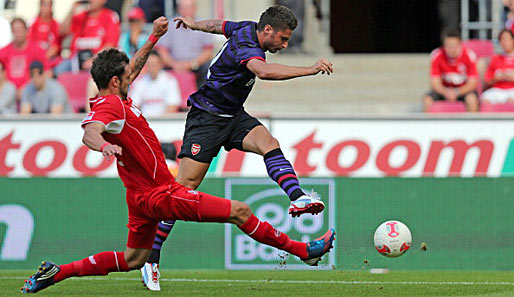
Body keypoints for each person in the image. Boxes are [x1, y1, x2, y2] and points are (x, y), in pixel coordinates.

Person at [20, 17, 335, 294]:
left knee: (132, 259)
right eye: (126, 74)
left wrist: (154, 37)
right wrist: (102, 145)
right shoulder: (111, 106)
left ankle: (59, 272)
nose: (133, 74)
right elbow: (90, 131)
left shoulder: (116, 96)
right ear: (116, 81)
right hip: (160, 194)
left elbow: (137, 64)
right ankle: (303, 250)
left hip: (139, 198)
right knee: (239, 211)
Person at [140, 5, 334, 290]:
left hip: (232, 115)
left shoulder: (245, 27)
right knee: (182, 190)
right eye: (282, 38)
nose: (285, 43)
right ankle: (150, 258)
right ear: (267, 30)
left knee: (269, 143)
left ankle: (298, 198)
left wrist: (194, 25)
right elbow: (263, 72)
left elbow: (219, 25)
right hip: (206, 118)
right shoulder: (248, 48)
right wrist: (310, 69)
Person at [157, 0, 214, 87]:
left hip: (196, 66)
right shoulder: (170, 25)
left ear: (194, 8)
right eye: (182, 8)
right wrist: (174, 64)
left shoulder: (204, 25)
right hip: (173, 65)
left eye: (188, 7)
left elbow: (208, 52)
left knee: (209, 67)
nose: (185, 10)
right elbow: (162, 50)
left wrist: (191, 64)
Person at [55, 0, 120, 75]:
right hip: (75, 59)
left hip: (97, 59)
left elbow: (110, 46)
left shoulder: (110, 16)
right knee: (59, 70)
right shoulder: (81, 16)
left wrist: (94, 60)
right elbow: (62, 31)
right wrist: (71, 11)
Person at [424, 29, 479, 112]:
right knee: (427, 100)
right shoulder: (437, 55)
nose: (451, 49)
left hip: (463, 90)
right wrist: (445, 92)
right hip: (444, 90)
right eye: (448, 46)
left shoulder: (469, 55)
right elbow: (435, 82)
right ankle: (428, 124)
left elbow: (472, 83)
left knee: (472, 99)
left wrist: (457, 92)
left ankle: (472, 124)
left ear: (460, 44)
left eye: (454, 46)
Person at [0, 18, 48, 92]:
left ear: (26, 30)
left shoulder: (36, 49)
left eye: (20, 29)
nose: (18, 33)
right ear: (12, 32)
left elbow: (47, 72)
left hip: (31, 89)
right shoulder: (4, 51)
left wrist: (30, 85)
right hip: (9, 90)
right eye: (15, 30)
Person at [129, 50, 181, 116]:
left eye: (155, 64)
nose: (153, 67)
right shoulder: (139, 81)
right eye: (150, 64)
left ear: (161, 64)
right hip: (144, 120)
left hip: (165, 121)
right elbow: (134, 106)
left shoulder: (170, 81)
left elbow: (172, 107)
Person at [481, 29, 514, 105]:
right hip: (498, 90)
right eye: (502, 40)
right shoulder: (495, 59)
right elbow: (487, 81)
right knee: (485, 98)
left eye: (507, 39)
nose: (505, 43)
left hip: (512, 90)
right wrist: (496, 78)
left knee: (511, 100)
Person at [28, 0, 61, 66]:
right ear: (40, 6)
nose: (46, 8)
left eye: (49, 5)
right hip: (34, 58)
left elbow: (55, 48)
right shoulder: (33, 23)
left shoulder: (55, 25)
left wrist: (43, 58)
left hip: (50, 59)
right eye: (44, 5)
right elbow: (28, 44)